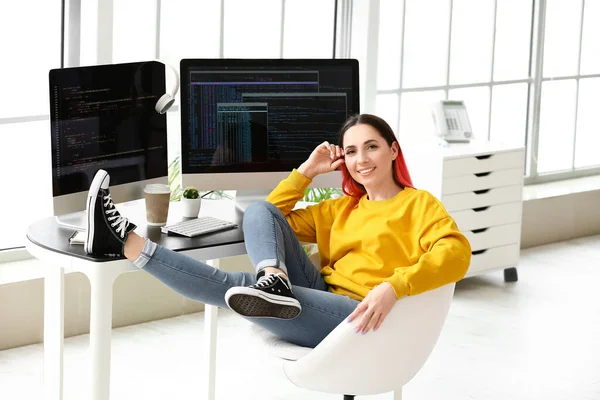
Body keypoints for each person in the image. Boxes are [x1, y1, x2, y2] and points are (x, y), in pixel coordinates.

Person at [84, 113, 472, 348]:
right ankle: (274, 280)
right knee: (260, 210)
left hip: (361, 314)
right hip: (320, 293)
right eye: (351, 151)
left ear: (393, 150)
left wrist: (394, 287)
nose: (360, 159)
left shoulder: (418, 205)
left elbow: (456, 254)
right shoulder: (342, 208)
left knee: (234, 284)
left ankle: (125, 243)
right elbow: (268, 217)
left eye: (370, 147)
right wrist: (307, 171)